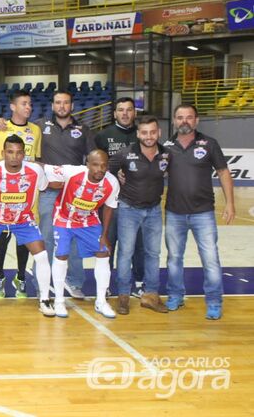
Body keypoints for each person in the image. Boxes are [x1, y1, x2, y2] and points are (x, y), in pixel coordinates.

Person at [0, 90, 97, 299]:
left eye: (66, 102)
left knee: (74, 239)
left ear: (71, 106)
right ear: (52, 106)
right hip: (49, 191)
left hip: (75, 194)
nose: (62, 106)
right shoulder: (40, 127)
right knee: (47, 238)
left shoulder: (83, 129)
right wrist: (0, 122)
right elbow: (19, 129)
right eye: (58, 102)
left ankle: (74, 281)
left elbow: (92, 159)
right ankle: (42, 281)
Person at [0, 135, 55, 318]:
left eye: (18, 153)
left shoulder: (35, 171)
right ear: (2, 153)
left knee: (42, 255)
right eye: (10, 152)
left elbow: (44, 186)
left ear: (24, 154)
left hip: (23, 219)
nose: (14, 156)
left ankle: (45, 300)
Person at [163, 104, 235, 320]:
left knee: (210, 258)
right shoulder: (165, 147)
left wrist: (229, 203)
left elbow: (223, 172)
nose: (184, 121)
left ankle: (214, 301)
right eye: (180, 117)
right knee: (174, 258)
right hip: (174, 213)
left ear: (196, 120)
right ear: (174, 121)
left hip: (203, 213)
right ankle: (175, 295)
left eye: (189, 117)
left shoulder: (210, 144)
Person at [44, 150, 120, 319]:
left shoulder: (112, 182)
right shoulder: (72, 172)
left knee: (103, 252)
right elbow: (43, 167)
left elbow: (109, 208)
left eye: (103, 165)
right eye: (95, 165)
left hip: (89, 220)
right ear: (87, 164)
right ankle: (58, 301)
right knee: (62, 254)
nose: (99, 169)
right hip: (64, 218)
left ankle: (101, 301)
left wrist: (105, 234)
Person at [109, 115, 169, 315]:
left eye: (153, 132)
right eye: (144, 132)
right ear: (138, 134)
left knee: (153, 254)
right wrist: (117, 175)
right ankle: (123, 296)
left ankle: (150, 296)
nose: (149, 136)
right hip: (129, 209)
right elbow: (106, 172)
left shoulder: (167, 155)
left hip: (154, 210)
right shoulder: (125, 154)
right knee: (126, 253)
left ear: (159, 132)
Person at [0, 89, 42, 299]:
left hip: (27, 193)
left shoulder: (36, 130)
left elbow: (37, 159)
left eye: (29, 103)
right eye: (23, 103)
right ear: (13, 106)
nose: (28, 107)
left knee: (24, 238)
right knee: (2, 238)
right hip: (3, 193)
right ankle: (0, 276)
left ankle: (20, 277)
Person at [94, 97, 145, 297]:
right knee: (108, 242)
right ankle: (105, 285)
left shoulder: (142, 135)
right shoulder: (103, 136)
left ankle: (139, 283)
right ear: (114, 113)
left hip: (137, 201)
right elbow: (95, 165)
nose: (125, 113)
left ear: (135, 113)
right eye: (121, 110)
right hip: (110, 201)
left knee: (137, 245)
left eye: (129, 110)